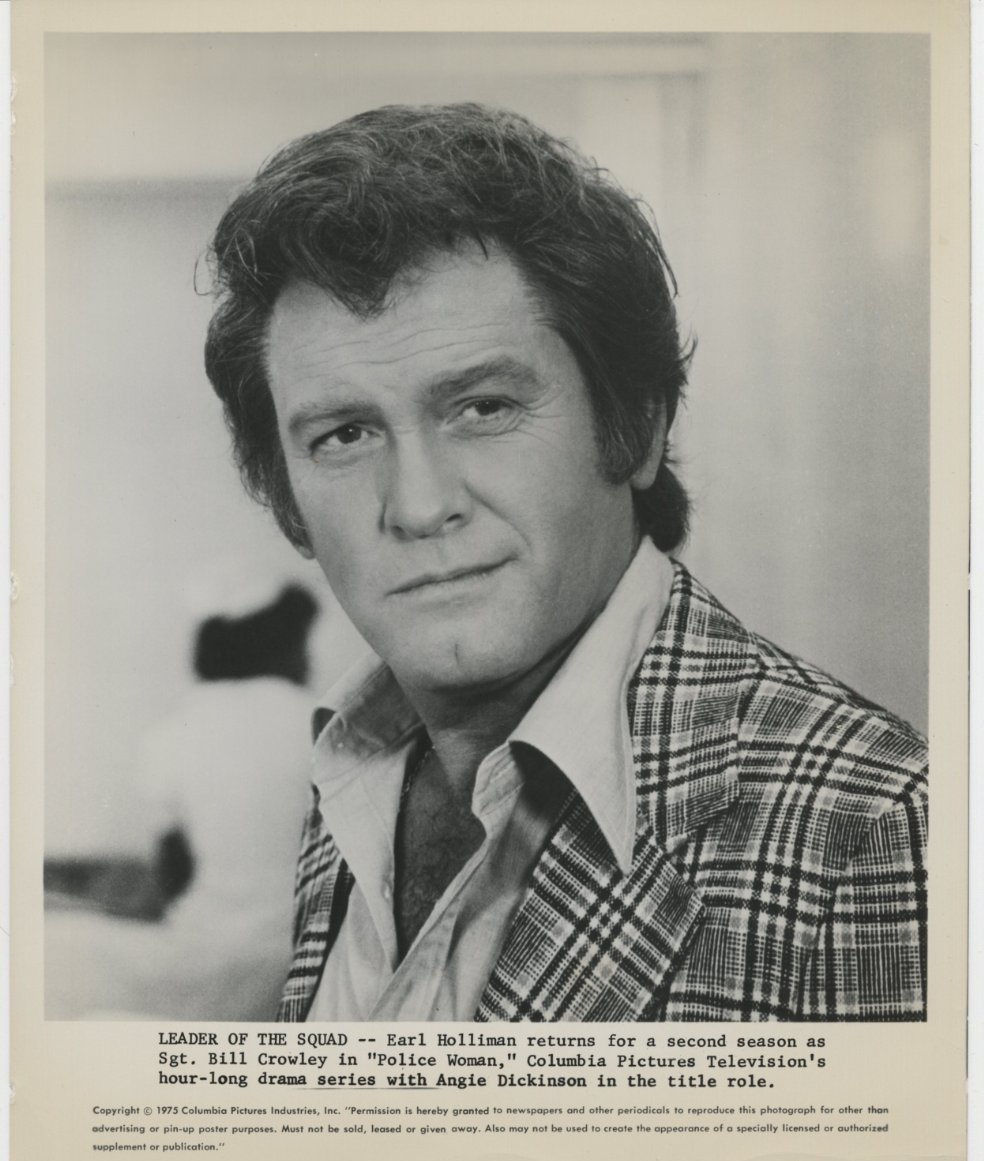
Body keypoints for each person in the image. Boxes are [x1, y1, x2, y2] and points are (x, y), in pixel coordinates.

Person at [203, 102, 927, 1022]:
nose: (419, 506)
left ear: (637, 427)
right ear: (286, 501)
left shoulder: (876, 827)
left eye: (484, 409)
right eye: (345, 435)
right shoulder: (352, 772)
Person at [45, 580, 319, 1020]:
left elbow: (173, 871)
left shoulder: (174, 732)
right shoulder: (318, 722)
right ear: (279, 646)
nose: (307, 660)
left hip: (209, 955)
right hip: (306, 962)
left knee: (51, 952)